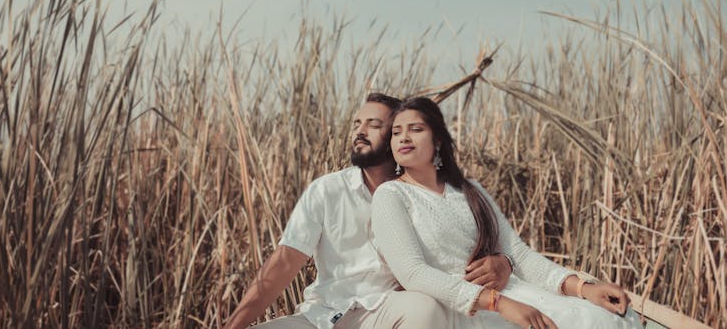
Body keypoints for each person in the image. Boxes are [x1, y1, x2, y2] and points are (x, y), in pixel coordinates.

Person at [226, 93, 513, 329]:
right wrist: (233, 326)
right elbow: (285, 263)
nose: (360, 132)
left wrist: (504, 262)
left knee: (424, 309)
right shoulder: (327, 190)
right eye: (357, 124)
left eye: (373, 125)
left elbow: (464, 251)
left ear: (395, 136)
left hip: (386, 312)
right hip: (322, 316)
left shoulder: (424, 195)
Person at [371, 96, 643, 329]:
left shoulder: (469, 190)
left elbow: (519, 254)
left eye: (415, 129)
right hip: (463, 308)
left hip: (514, 293)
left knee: (596, 317)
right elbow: (413, 273)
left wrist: (584, 288)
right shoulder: (391, 196)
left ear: (438, 140)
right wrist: (497, 303)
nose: (403, 138)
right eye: (396, 132)